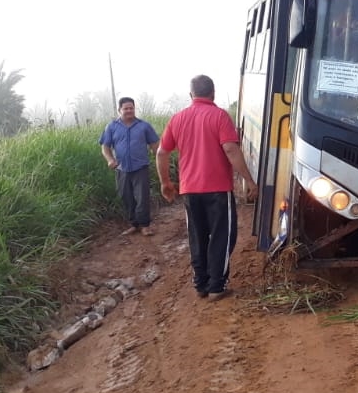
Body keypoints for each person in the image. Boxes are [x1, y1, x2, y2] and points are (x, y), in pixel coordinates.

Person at [156, 75, 258, 301]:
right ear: (213, 93)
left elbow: (162, 152)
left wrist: (166, 182)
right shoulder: (220, 116)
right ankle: (216, 287)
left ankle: (200, 284)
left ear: (191, 95)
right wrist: (250, 181)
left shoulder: (177, 118)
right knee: (222, 236)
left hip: (190, 190)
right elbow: (231, 150)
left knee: (197, 236)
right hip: (217, 190)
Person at [99, 96, 160, 237]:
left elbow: (155, 145)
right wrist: (110, 159)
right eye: (125, 108)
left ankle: (145, 225)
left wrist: (158, 156)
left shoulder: (144, 126)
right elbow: (105, 147)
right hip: (122, 169)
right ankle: (134, 224)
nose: (129, 111)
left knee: (142, 197)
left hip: (141, 168)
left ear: (134, 109)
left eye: (131, 108)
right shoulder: (111, 127)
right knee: (126, 197)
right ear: (119, 110)